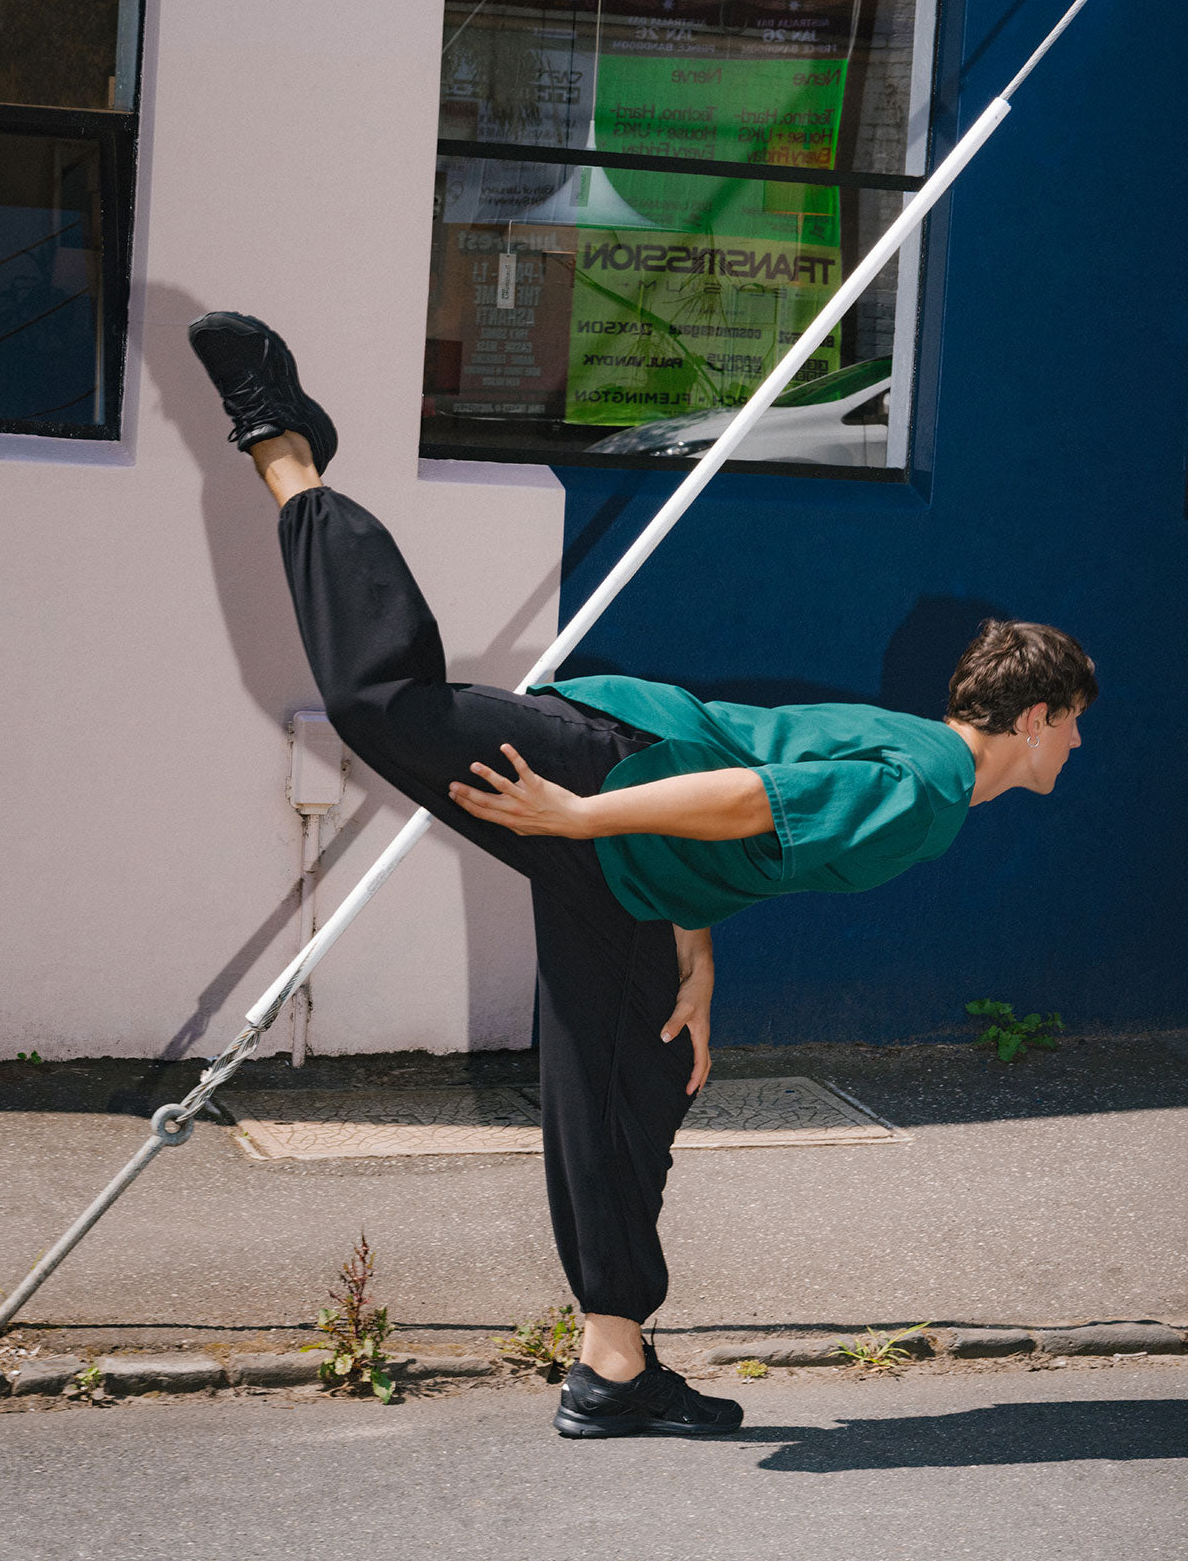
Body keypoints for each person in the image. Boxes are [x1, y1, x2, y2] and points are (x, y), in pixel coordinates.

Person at [188, 312, 1098, 1439]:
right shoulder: (926, 791)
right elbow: (742, 798)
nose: (1074, 751)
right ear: (1039, 714)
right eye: (1074, 730)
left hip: (626, 862)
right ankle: (285, 441)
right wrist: (578, 812)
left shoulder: (910, 750)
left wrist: (693, 956)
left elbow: (747, 807)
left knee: (629, 1092)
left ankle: (613, 1366)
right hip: (604, 776)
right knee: (385, 704)